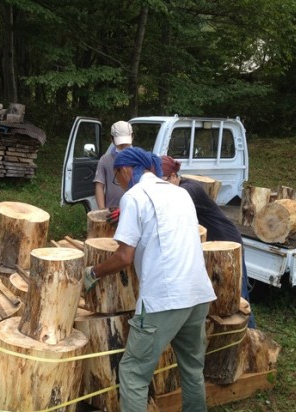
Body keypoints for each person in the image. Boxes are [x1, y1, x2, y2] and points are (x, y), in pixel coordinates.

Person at [84, 147, 216, 412]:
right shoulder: (180, 193)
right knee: (192, 369)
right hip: (199, 293)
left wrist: (94, 273)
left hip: (164, 299)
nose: (118, 184)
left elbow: (124, 256)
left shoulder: (134, 196)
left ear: (125, 170)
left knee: (133, 372)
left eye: (117, 178)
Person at [161, 155, 256, 328]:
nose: (161, 188)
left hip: (227, 243)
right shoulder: (176, 188)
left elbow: (167, 201)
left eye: (163, 181)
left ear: (174, 176)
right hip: (209, 246)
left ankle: (251, 336)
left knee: (237, 297)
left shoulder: (189, 189)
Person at [93, 120, 133, 210]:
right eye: (120, 142)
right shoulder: (105, 160)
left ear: (132, 137)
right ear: (112, 139)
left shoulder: (139, 158)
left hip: (134, 211)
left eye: (126, 141)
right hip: (111, 211)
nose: (123, 144)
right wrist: (102, 210)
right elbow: (99, 185)